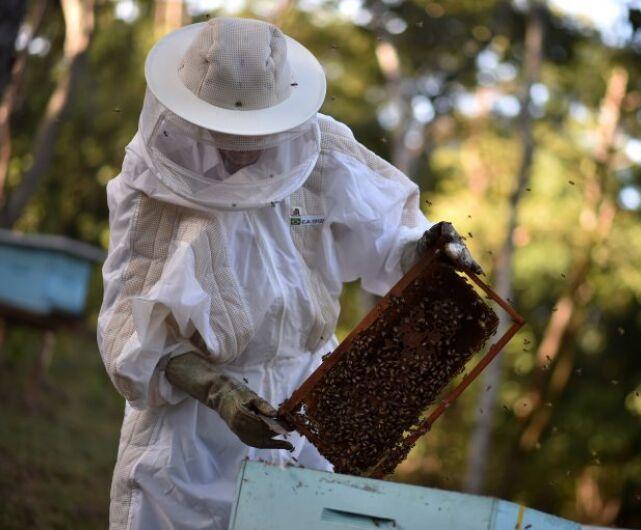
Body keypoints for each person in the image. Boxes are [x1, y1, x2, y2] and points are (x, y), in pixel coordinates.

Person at [97, 16, 481, 530]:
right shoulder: (147, 184)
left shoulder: (321, 152)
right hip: (196, 433)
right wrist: (220, 393)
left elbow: (389, 234)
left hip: (316, 400)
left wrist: (427, 248)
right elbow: (128, 326)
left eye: (254, 128)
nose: (241, 145)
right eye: (224, 127)